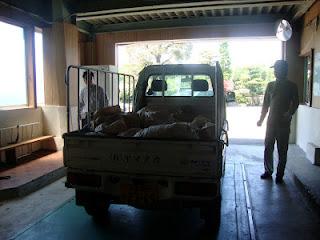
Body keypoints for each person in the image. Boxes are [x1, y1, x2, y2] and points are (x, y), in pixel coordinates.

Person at [257, 60, 299, 183]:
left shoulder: (292, 86)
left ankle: (280, 174)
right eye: (274, 69)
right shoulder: (270, 85)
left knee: (282, 150)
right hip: (271, 123)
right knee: (268, 148)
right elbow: (265, 105)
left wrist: (290, 112)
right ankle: (268, 171)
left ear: (284, 70)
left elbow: (296, 102)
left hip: (284, 124)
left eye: (277, 69)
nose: (275, 71)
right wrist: (261, 119)